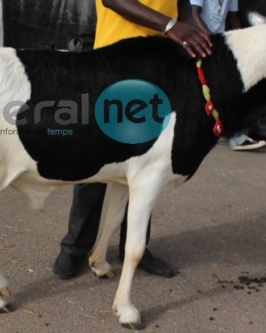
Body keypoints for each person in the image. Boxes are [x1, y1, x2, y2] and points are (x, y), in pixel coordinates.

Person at [52, 0, 212, 280]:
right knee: (94, 165)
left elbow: (185, 9)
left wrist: (209, 41)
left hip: (159, 73)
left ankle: (134, 247)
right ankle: (75, 247)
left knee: (147, 167)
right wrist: (172, 27)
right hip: (111, 70)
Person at [190, 0, 266, 151]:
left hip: (217, 45)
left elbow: (233, 18)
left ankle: (237, 136)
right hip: (199, 43)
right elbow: (193, 14)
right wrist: (211, 40)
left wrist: (245, 41)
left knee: (234, 88)